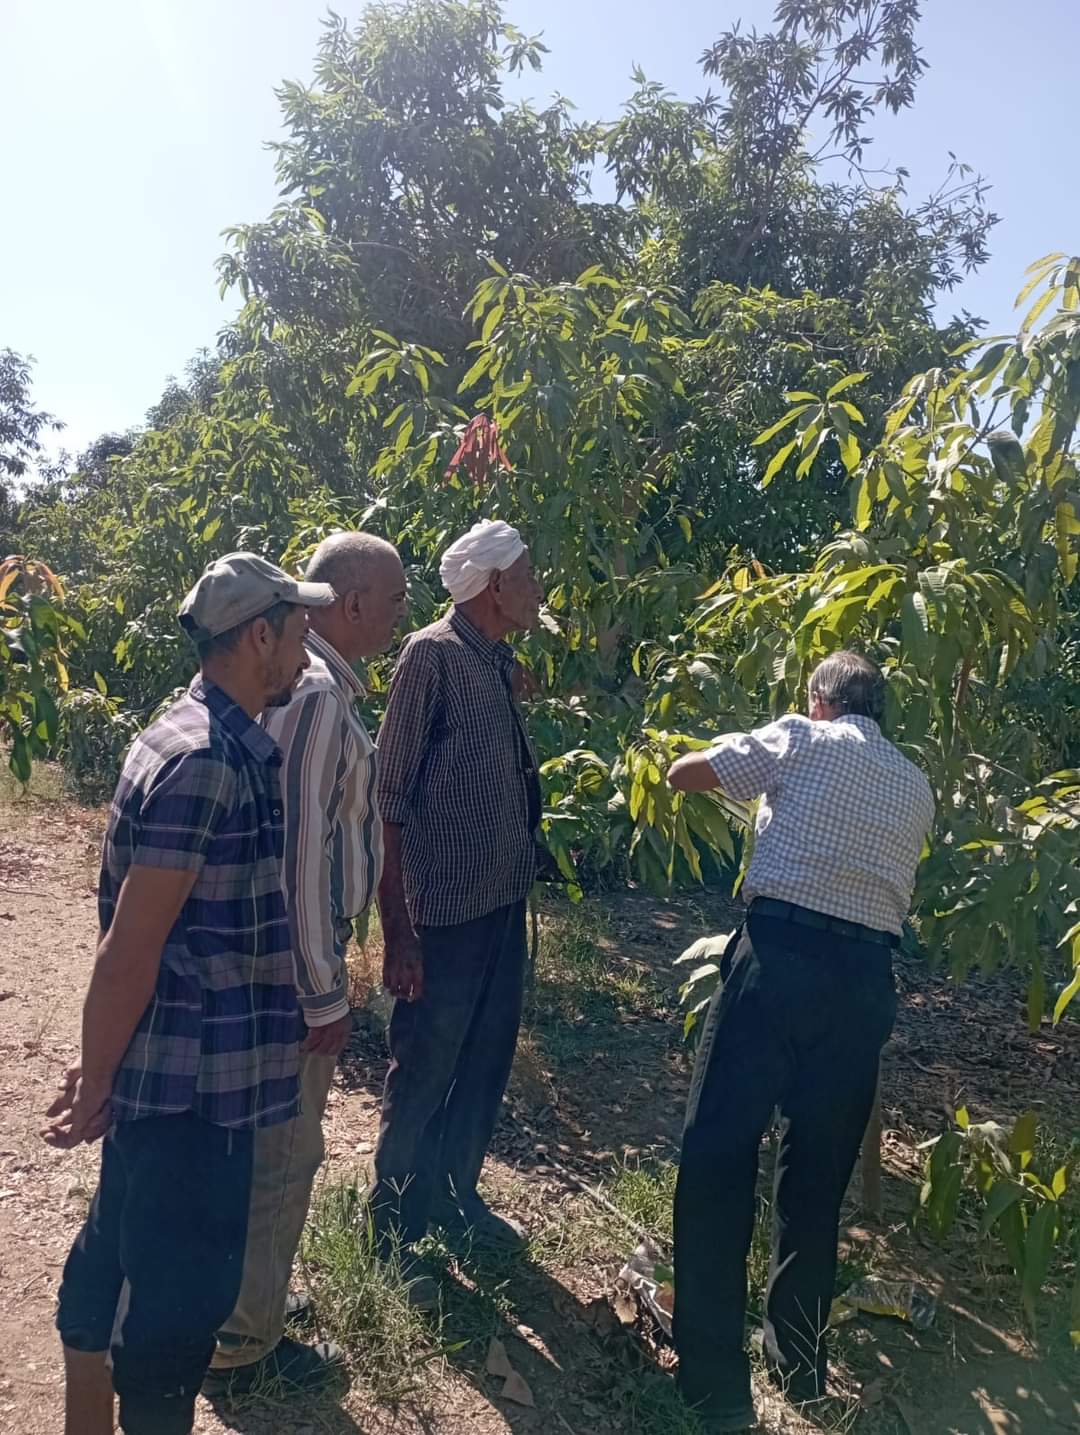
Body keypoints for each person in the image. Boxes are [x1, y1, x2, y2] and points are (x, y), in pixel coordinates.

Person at [44, 553, 335, 1435]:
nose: (304, 650)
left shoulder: (186, 734)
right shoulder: (209, 760)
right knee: (173, 1313)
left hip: (180, 1075)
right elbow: (131, 947)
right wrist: (94, 1078)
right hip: (194, 1085)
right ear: (258, 636)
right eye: (296, 631)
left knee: (115, 1257)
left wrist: (103, 1068)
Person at [666, 651, 934, 1433]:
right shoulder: (914, 783)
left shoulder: (802, 738)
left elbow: (692, 772)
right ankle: (800, 1361)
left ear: (820, 701)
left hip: (779, 957)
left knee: (718, 1151)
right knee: (816, 1176)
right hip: (865, 983)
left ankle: (715, 1384)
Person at [208, 531, 408, 1395]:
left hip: (249, 958)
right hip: (292, 966)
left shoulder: (288, 681)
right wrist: (323, 991)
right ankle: (244, 1339)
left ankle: (234, 1306)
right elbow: (301, 858)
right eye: (396, 600)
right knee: (286, 1151)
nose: (403, 617)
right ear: (355, 604)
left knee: (251, 1147)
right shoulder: (318, 693)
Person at [371, 517, 543, 1291]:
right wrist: (397, 928)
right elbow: (390, 799)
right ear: (497, 584)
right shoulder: (431, 656)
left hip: (502, 904)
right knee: (427, 1063)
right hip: (442, 915)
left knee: (483, 1059)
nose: (539, 588)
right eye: (530, 575)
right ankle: (393, 1222)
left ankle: (454, 1194)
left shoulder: (496, 662)